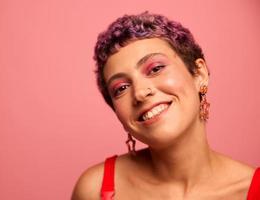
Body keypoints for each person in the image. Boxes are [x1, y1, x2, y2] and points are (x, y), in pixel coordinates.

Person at [71, 12, 260, 200]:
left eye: (155, 69)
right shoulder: (93, 190)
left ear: (199, 74)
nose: (139, 93)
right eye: (121, 88)